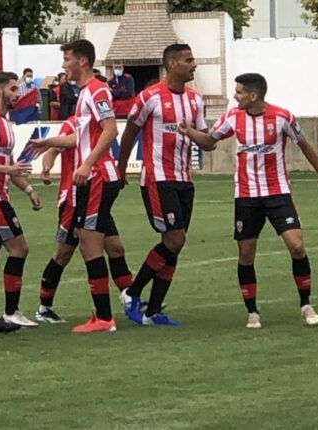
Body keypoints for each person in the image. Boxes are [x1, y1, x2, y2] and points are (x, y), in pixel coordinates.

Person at [178, 72, 318, 328]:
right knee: (246, 254)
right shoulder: (232, 117)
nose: (234, 96)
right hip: (247, 196)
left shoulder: (282, 117)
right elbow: (209, 142)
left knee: (296, 246)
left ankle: (306, 304)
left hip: (278, 192)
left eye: (238, 92)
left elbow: (304, 144)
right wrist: (189, 131)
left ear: (253, 95)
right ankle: (252, 312)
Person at [117, 44, 213, 327]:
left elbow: (207, 141)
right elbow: (129, 134)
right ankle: (131, 293)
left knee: (174, 245)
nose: (193, 65)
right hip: (158, 178)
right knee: (175, 239)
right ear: (171, 64)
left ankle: (152, 311)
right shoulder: (149, 97)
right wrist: (121, 169)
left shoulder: (196, 100)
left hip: (185, 179)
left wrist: (193, 133)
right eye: (188, 60)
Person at [34, 39, 122, 333]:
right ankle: (108, 311)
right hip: (90, 179)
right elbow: (76, 138)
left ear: (82, 61)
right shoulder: (86, 94)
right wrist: (49, 146)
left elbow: (111, 129)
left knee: (91, 244)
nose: (64, 65)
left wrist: (86, 164)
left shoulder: (96, 90)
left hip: (96, 177)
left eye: (68, 58)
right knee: (87, 244)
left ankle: (105, 316)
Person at [34, 116, 134, 323]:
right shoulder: (73, 124)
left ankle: (130, 298)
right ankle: (44, 307)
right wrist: (46, 166)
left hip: (95, 194)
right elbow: (59, 148)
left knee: (115, 247)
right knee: (63, 253)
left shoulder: (100, 127)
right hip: (72, 199)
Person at [0, 71, 42, 328]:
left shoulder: (6, 124)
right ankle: (11, 312)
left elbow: (9, 165)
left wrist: (29, 190)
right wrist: (6, 172)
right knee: (19, 248)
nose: (17, 94)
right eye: (13, 89)